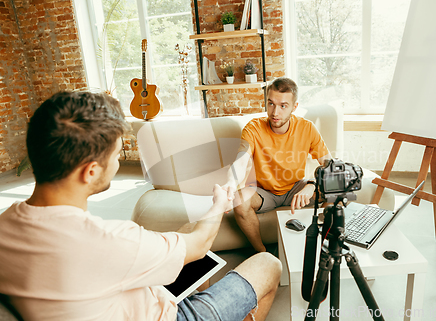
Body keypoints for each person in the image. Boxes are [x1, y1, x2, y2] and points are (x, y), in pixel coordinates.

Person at [0, 91, 281, 321]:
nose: (119, 162)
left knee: (191, 252)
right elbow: (200, 242)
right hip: (167, 315)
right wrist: (218, 204)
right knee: (268, 264)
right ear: (91, 171)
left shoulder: (5, 227)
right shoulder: (111, 240)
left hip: (117, 297)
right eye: (117, 154)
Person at [223, 77, 332, 252]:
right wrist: (230, 183)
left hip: (296, 186)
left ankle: (323, 247)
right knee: (239, 200)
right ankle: (262, 253)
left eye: (283, 106)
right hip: (264, 192)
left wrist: (312, 185)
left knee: (336, 193)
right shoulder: (253, 128)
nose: (275, 112)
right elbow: (240, 161)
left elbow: (329, 166)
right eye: (271, 104)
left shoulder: (307, 128)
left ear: (294, 107)